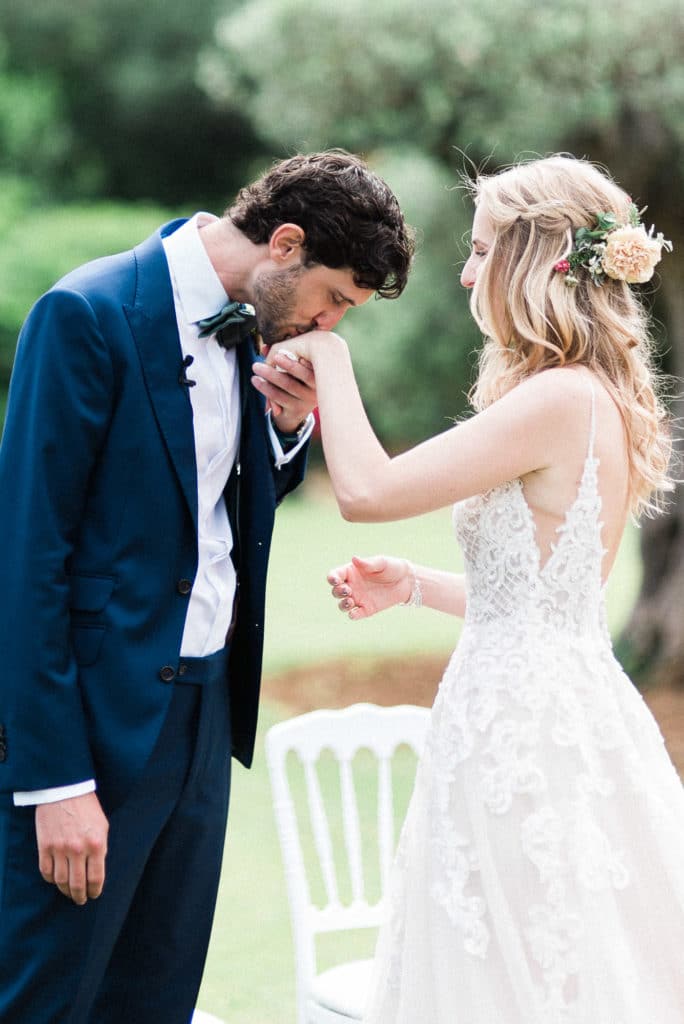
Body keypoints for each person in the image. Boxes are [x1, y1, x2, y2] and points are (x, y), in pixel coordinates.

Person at [259, 155, 684, 1022]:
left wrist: (331, 359)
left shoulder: (560, 400)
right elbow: (546, 605)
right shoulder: (584, 395)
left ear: (534, 264)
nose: (463, 270)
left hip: (519, 733)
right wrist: (415, 584)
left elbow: (367, 492)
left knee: (511, 972)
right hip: (552, 707)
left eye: (482, 248)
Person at [0, 149, 414, 1023]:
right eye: (334, 297)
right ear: (285, 243)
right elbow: (26, 559)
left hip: (205, 719)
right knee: (50, 997)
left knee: (157, 995)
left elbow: (216, 511)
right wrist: (56, 780)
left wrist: (285, 428)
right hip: (96, 729)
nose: (331, 324)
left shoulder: (258, 334)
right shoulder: (86, 313)